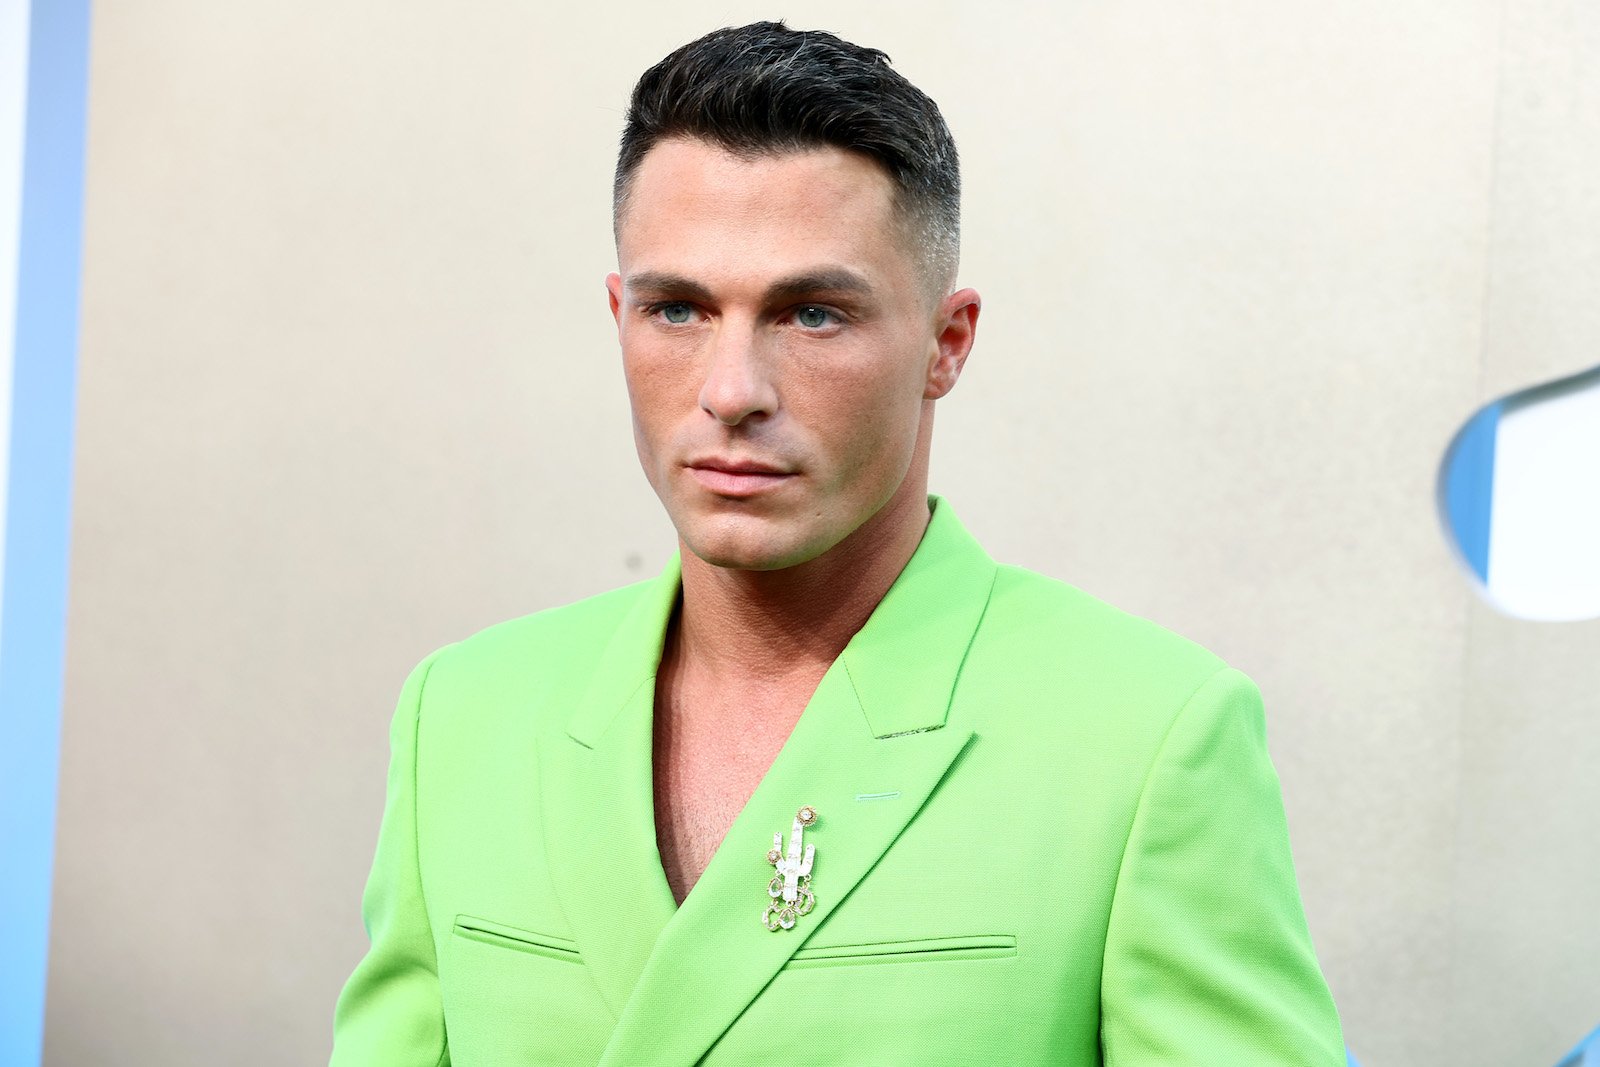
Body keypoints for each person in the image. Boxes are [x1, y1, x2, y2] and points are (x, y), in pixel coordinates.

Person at [330, 21, 1344, 1066]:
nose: (732, 391)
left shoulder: (1147, 736)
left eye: (812, 314)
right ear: (618, 315)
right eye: (676, 309)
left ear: (947, 342)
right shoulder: (464, 714)